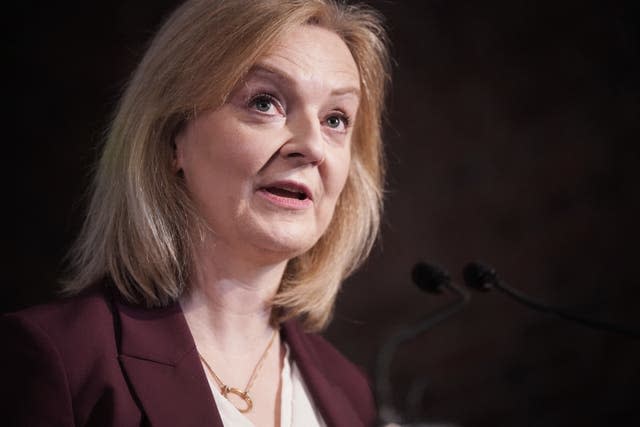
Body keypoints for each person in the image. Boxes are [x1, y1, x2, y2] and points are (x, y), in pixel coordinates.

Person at [2, 0, 390, 426]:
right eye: (265, 102)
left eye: (336, 119)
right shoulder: (60, 361)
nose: (313, 146)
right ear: (174, 138)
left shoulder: (351, 392)